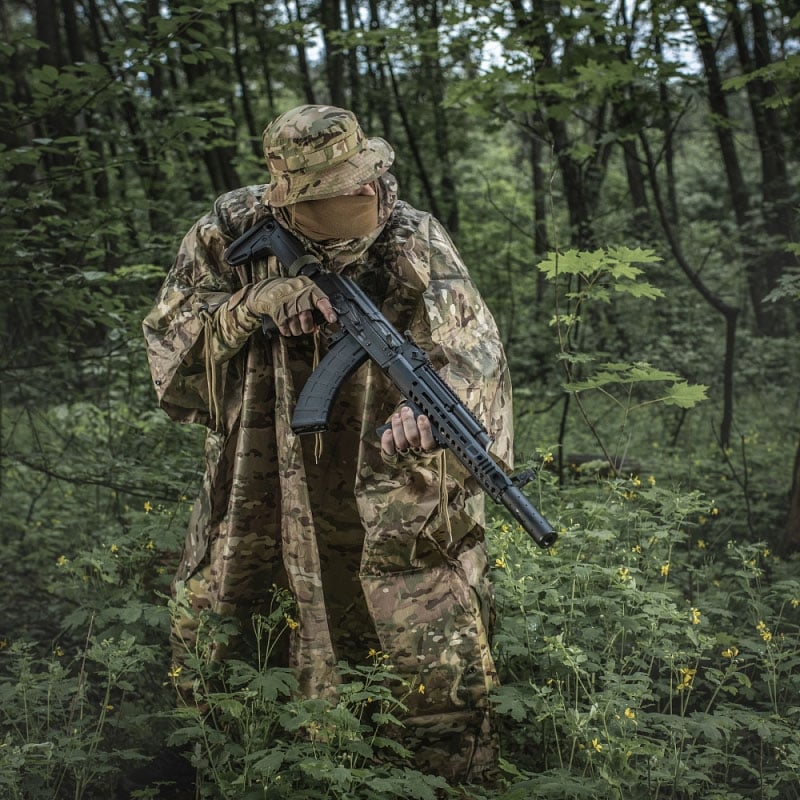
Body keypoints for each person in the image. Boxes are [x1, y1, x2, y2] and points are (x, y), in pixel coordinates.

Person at [142, 104, 514, 784]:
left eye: (368, 173)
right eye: (345, 182)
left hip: (384, 477)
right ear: (289, 196)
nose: (368, 188)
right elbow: (171, 353)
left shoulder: (412, 239)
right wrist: (252, 305)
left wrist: (432, 409)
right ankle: (251, 771)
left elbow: (473, 350)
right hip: (260, 478)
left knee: (421, 647)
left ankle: (420, 778)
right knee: (236, 628)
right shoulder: (231, 231)